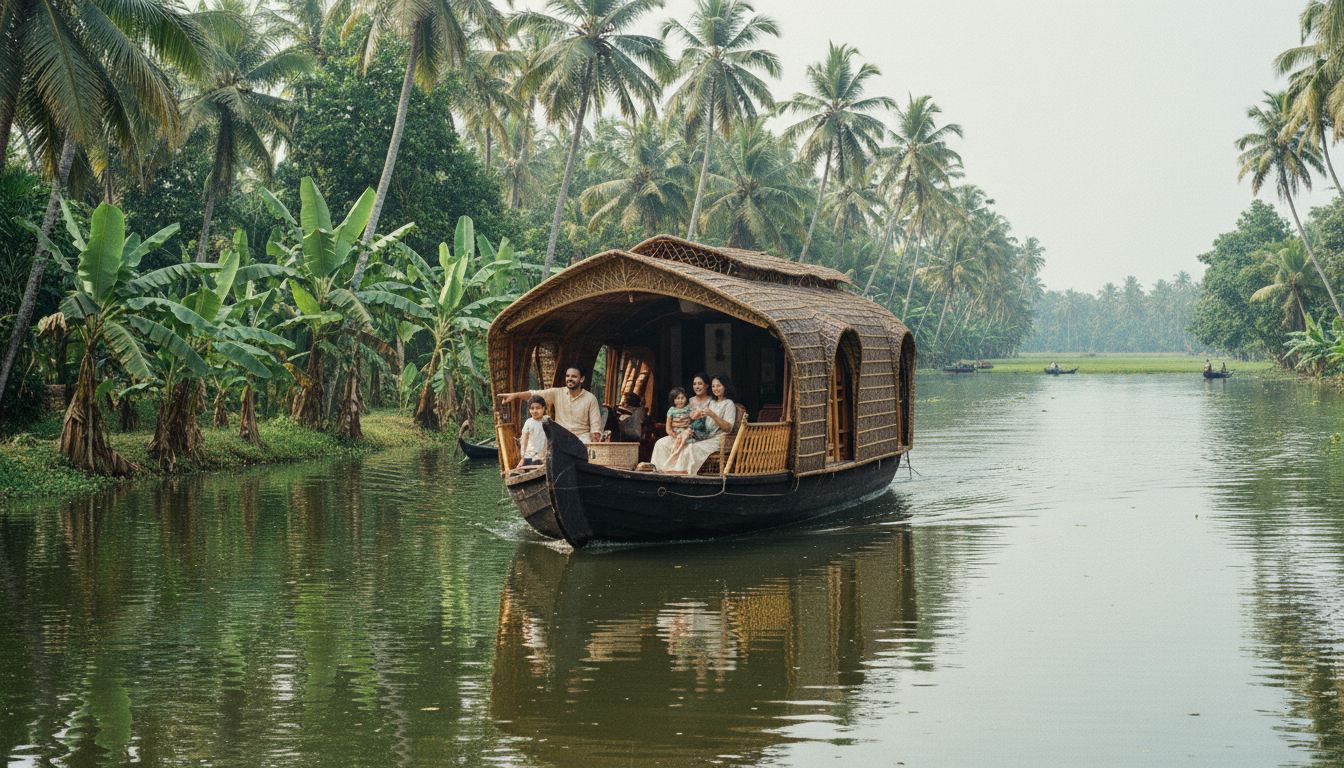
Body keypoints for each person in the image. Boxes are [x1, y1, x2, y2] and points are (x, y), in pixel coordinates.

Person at [651, 374, 737, 475]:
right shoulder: (712, 403)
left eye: (719, 385)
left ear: (725, 386)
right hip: (701, 435)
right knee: (662, 443)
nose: (715, 388)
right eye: (714, 386)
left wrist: (711, 414)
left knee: (690, 447)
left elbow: (728, 428)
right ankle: (657, 471)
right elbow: (699, 422)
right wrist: (689, 424)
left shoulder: (729, 404)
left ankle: (679, 474)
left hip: (717, 440)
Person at [498, 365, 603, 443]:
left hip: (582, 439)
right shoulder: (557, 393)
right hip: (560, 438)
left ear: (582, 379)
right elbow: (534, 394)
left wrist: (594, 449)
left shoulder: (590, 398)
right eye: (567, 376)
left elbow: (595, 427)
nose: (570, 379)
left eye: (574, 376)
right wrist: (514, 395)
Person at [513, 395, 548, 472]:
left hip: (541, 456)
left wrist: (545, 456)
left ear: (543, 408)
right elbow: (524, 441)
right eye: (532, 408)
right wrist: (522, 459)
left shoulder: (547, 420)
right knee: (518, 472)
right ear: (529, 410)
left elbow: (549, 439)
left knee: (536, 469)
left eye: (538, 408)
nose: (535, 411)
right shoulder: (528, 422)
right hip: (529, 455)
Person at [664, 388, 694, 463]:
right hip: (675, 435)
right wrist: (675, 436)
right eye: (677, 398)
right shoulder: (671, 410)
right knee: (674, 447)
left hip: (686, 435)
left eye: (682, 398)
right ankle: (670, 462)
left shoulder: (689, 409)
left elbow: (693, 422)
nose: (680, 401)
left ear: (686, 399)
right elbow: (668, 428)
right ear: (673, 400)